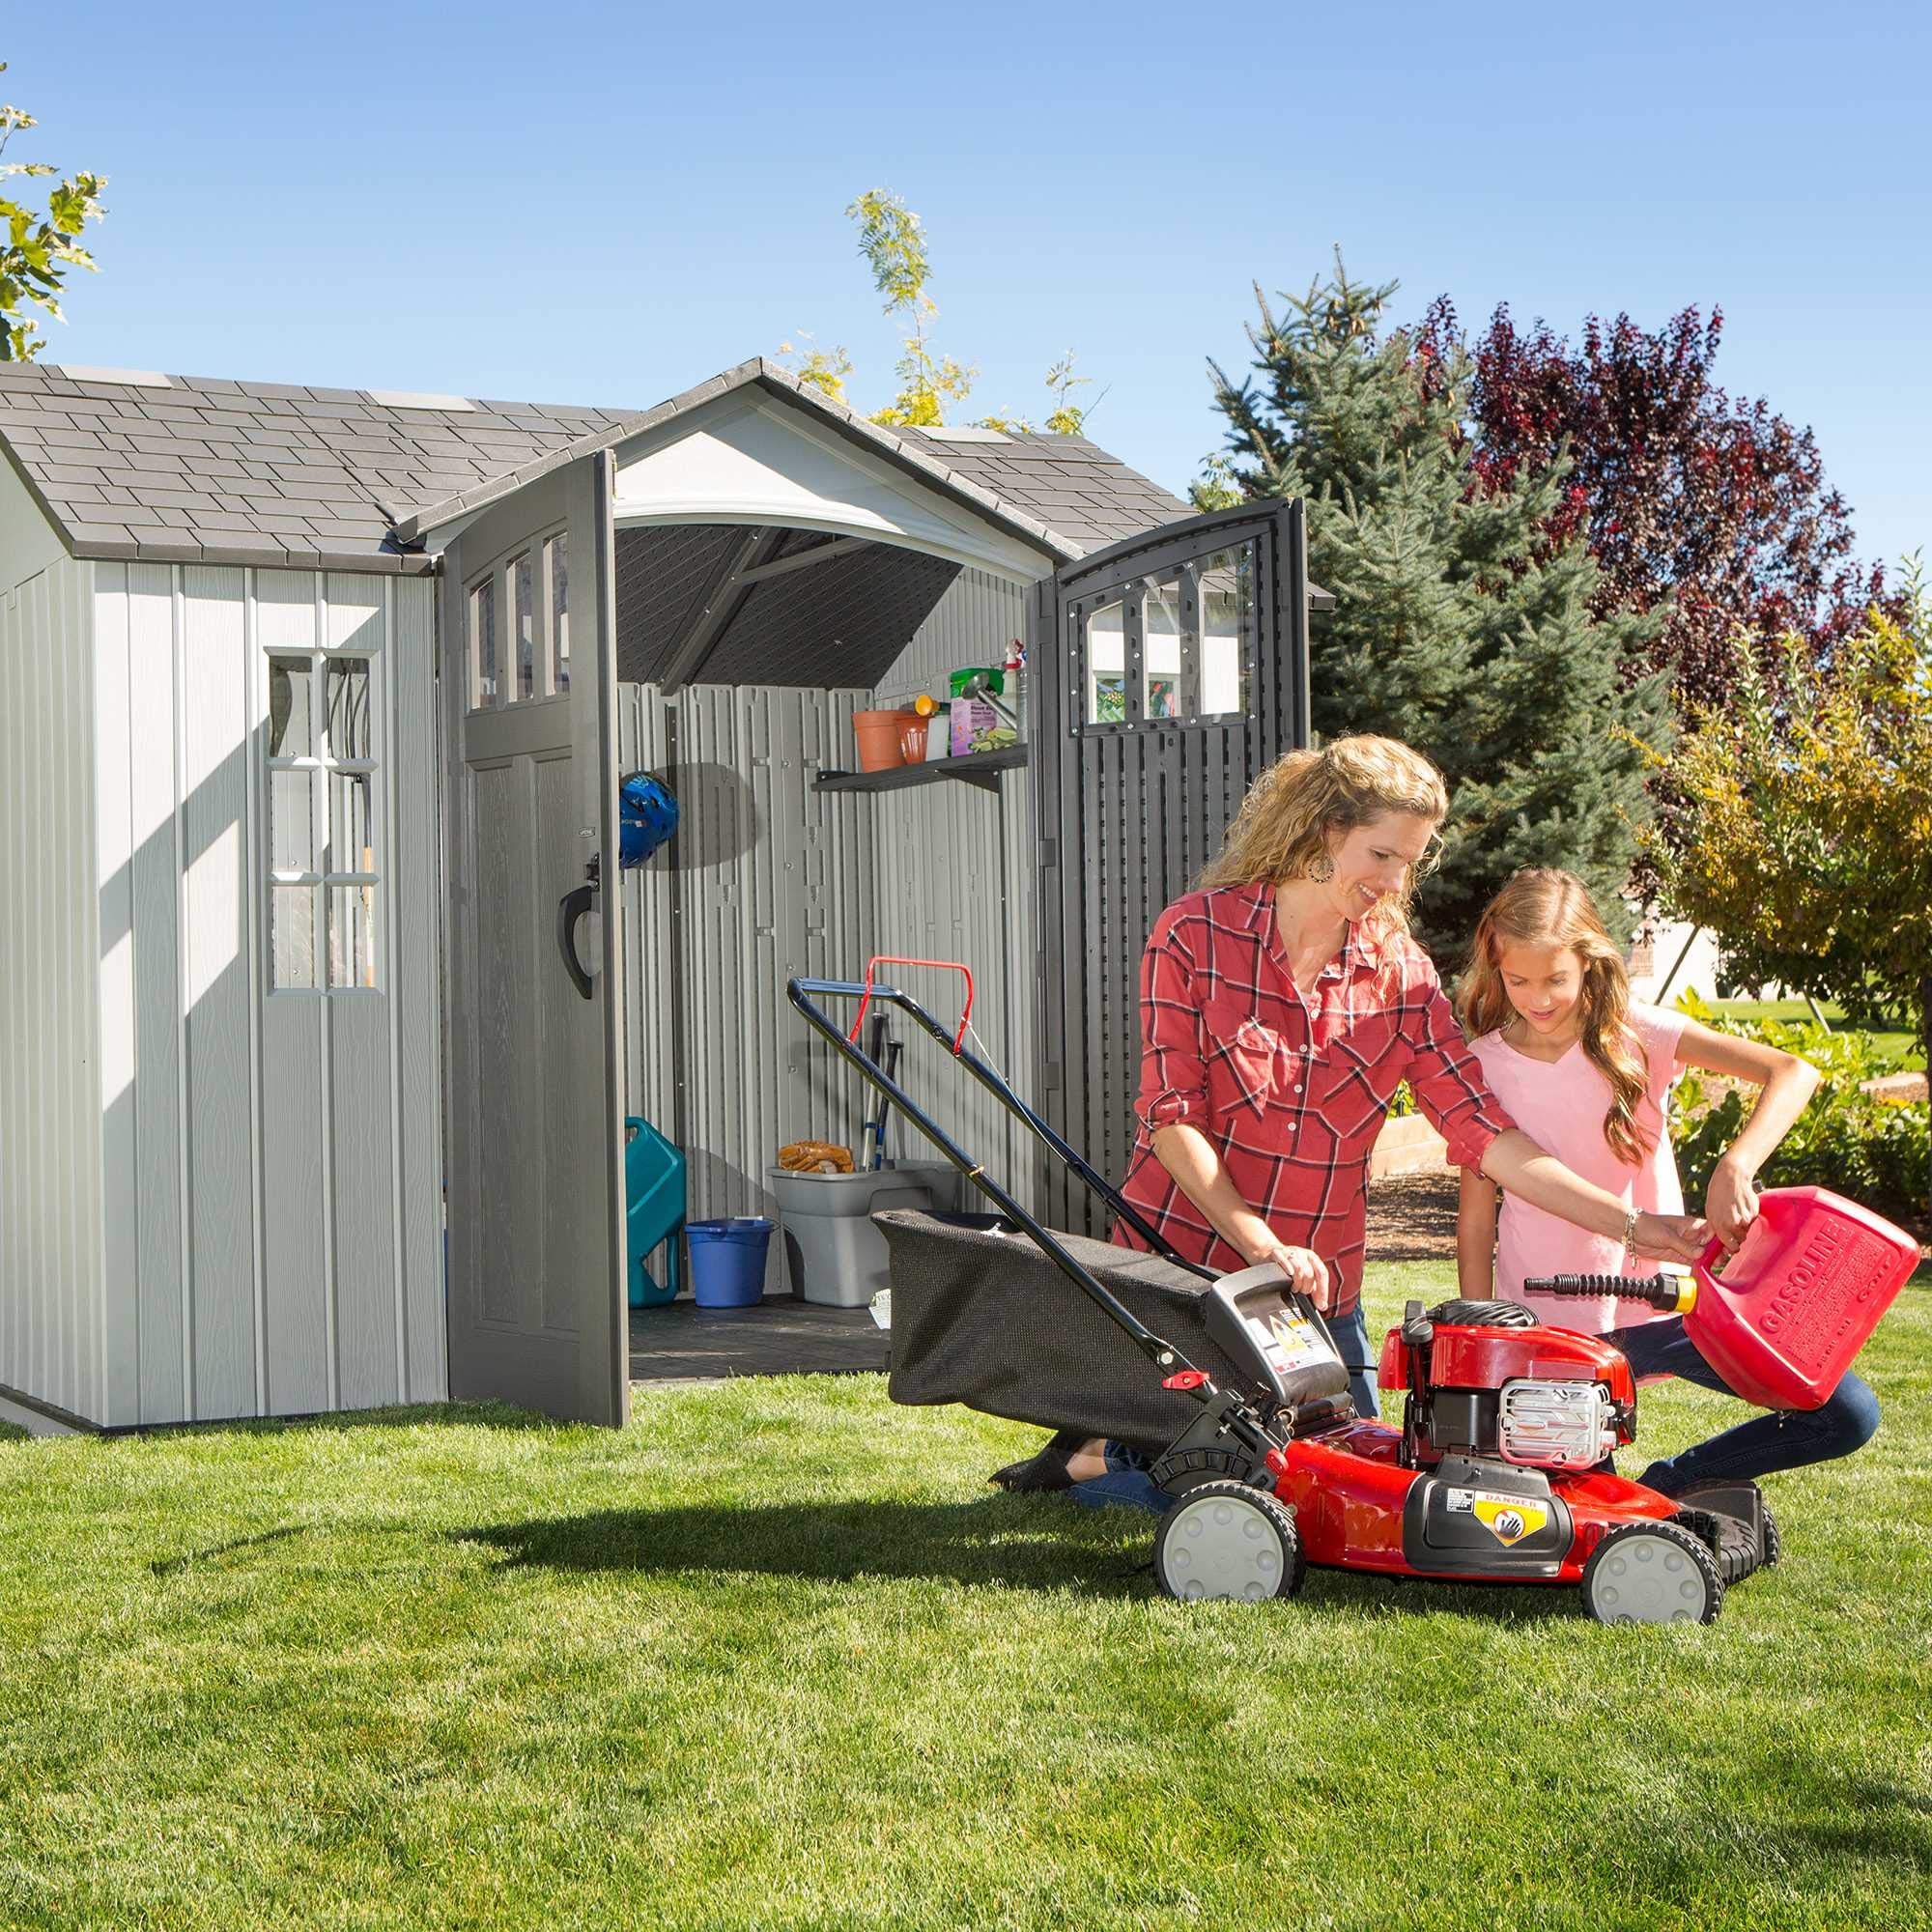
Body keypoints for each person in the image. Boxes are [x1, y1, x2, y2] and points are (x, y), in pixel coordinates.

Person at [992, 736, 1712, 1506]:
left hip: (1315, 1294)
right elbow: (1172, 1121)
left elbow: (1482, 1131)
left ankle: (1104, 1452)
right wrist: (1263, 1245)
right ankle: (1107, 1451)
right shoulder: (1194, 936)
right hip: (1187, 1270)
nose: (1396, 881)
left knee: (1352, 1495)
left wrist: (1635, 1227)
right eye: (1381, 854)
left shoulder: (1401, 977)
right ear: (1321, 829)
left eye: (1410, 860)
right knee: (1243, 1487)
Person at [1457, 866, 1878, 1497]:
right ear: (1495, 967)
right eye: (1517, 980)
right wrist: (1479, 1333)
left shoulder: (1639, 1032)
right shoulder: (1483, 1064)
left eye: (1556, 981)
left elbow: (1793, 1072)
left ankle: (1678, 1482)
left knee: (1846, 1413)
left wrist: (1735, 1165)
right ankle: (1618, 1493)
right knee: (1570, 1510)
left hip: (1667, 1306)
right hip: (1548, 1323)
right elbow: (1474, 1218)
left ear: (1590, 964)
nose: (1537, 999)